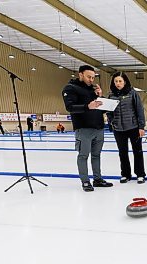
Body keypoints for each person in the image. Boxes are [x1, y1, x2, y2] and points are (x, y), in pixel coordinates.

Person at [62, 64, 113, 192]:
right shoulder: (70, 88)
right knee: (83, 155)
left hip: (98, 128)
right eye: (88, 77)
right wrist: (87, 106)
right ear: (80, 75)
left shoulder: (93, 90)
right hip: (83, 129)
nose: (91, 80)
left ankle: (97, 179)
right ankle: (85, 181)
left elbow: (100, 109)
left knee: (96, 155)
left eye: (93, 77)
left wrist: (101, 97)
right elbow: (70, 107)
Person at [107, 72, 147, 184]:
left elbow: (139, 110)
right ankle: (125, 174)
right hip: (118, 129)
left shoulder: (132, 93)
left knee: (137, 151)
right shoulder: (111, 95)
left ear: (125, 81)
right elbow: (109, 112)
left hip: (133, 127)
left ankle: (140, 174)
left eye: (120, 81)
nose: (118, 83)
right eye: (116, 81)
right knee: (122, 152)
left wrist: (141, 126)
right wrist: (112, 122)